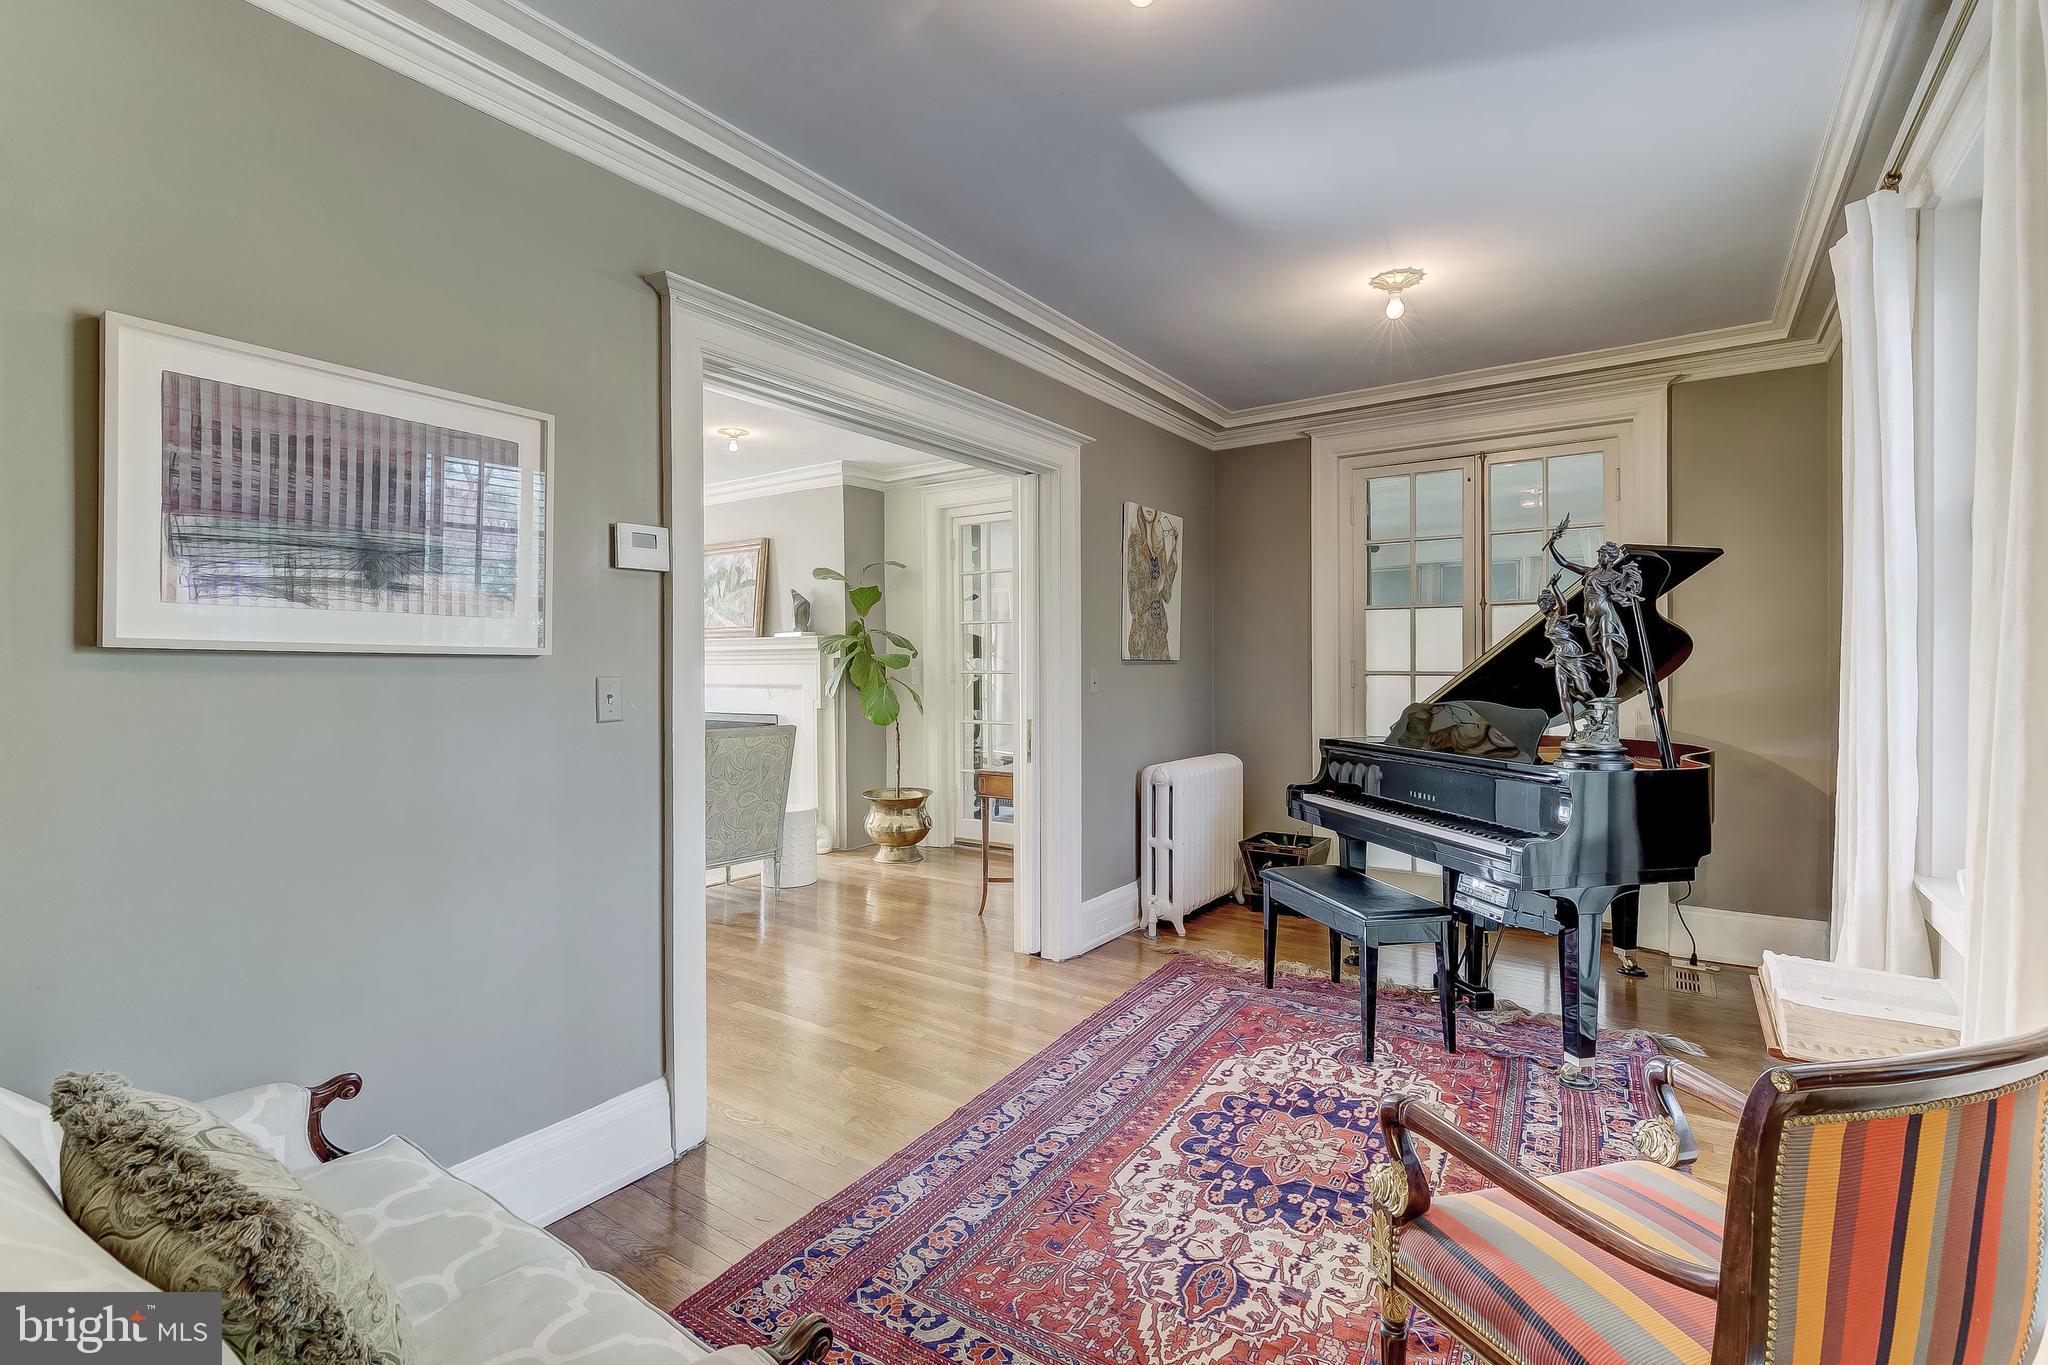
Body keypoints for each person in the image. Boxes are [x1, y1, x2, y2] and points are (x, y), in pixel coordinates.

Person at [1544, 515, 1642, 698]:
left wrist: (1628, 577)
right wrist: (1552, 545)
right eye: (1599, 554)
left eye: (1603, 554)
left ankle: (1613, 688)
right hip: (1589, 615)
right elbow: (1564, 563)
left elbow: (1620, 592)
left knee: (1607, 646)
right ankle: (1615, 669)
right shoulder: (1589, 572)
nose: (1599, 557)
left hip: (1605, 613)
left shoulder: (1615, 576)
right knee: (1597, 649)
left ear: (1611, 558)